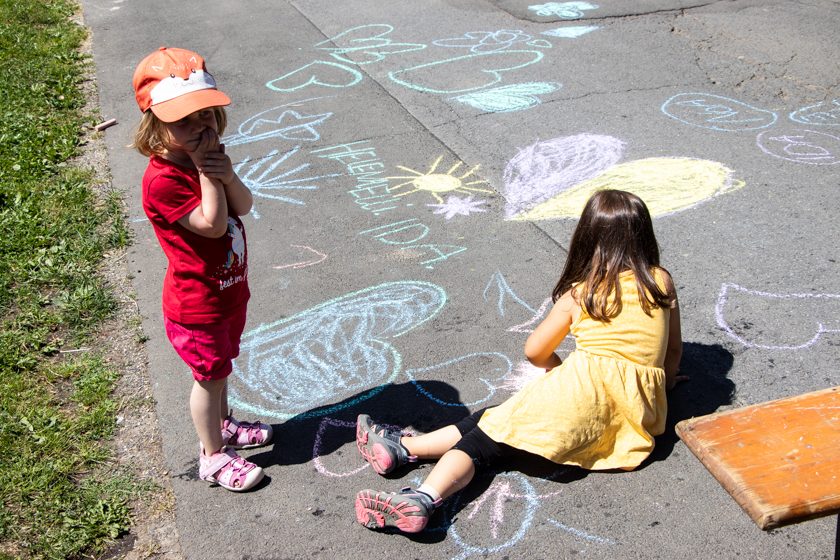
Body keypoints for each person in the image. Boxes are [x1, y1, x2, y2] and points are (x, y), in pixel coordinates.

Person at [354, 189, 686, 532]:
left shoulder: (580, 293)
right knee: (494, 420)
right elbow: (672, 351)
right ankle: (403, 449)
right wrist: (667, 383)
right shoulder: (660, 281)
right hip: (634, 416)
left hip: (579, 403)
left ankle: (423, 499)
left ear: (587, 239)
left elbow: (535, 351)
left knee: (480, 445)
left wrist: (559, 370)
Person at [131, 47, 272, 492]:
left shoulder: (208, 163)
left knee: (221, 369)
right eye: (183, 121)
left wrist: (225, 174)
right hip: (196, 305)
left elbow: (243, 206)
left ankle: (223, 426)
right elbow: (211, 227)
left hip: (228, 291)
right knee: (208, 379)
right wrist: (210, 174)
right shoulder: (163, 180)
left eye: (206, 117)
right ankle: (212, 455)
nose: (199, 128)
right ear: (155, 127)